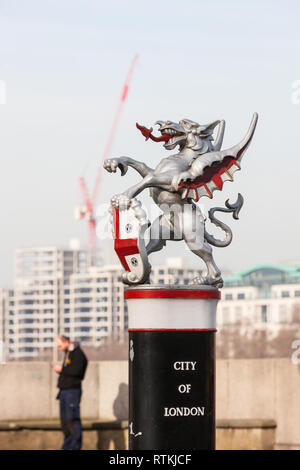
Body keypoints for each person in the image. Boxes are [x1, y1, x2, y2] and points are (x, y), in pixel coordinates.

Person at [53, 335, 88, 450]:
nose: (59, 348)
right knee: (65, 422)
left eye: (60, 345)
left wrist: (62, 370)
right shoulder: (68, 353)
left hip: (72, 391)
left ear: (66, 342)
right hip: (64, 391)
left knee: (72, 420)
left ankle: (74, 447)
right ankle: (67, 446)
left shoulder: (78, 354)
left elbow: (77, 370)